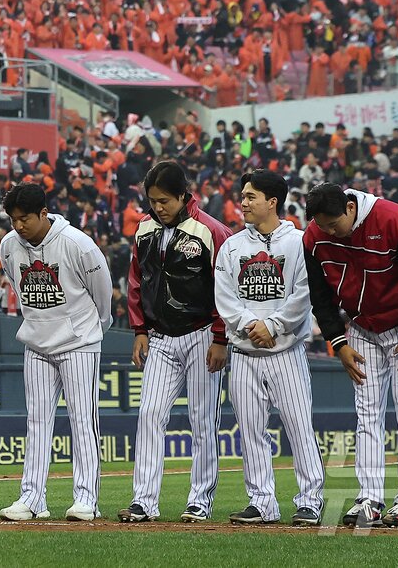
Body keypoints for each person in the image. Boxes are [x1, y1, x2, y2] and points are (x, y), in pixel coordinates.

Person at [303, 181, 398, 528]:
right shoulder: (314, 236)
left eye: (333, 224)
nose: (330, 232)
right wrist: (338, 342)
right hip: (360, 329)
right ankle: (370, 498)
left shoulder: (394, 220)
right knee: (367, 413)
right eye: (323, 225)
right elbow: (320, 296)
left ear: (350, 207)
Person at [120, 161, 232, 523]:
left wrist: (220, 337)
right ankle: (143, 501)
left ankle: (200, 500)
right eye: (152, 201)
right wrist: (139, 329)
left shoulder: (212, 231)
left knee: (202, 420)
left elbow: (226, 288)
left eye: (164, 200)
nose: (158, 207)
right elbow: (136, 281)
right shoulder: (144, 228)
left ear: (184, 195)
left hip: (203, 334)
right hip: (160, 337)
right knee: (150, 414)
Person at [0, 183, 112, 522]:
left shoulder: (77, 244)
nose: (18, 226)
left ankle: (86, 499)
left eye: (25, 218)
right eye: (13, 219)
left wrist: (90, 331)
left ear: (44, 213)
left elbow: (103, 295)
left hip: (78, 343)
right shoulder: (8, 246)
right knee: (36, 421)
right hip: (36, 342)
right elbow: (18, 286)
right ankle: (32, 499)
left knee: (83, 419)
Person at [214, 170, 324, 527]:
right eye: (243, 196)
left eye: (250, 196)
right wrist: (252, 325)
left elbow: (304, 294)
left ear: (272, 201)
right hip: (245, 353)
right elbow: (224, 297)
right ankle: (262, 502)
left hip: (286, 352)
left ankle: (310, 501)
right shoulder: (232, 246)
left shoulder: (299, 242)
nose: (243, 203)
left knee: (299, 428)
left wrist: (272, 326)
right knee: (250, 432)